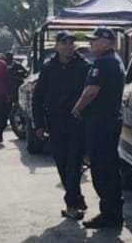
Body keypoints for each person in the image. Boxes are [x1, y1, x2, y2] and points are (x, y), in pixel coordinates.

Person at [32, 31, 92, 219]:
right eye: (64, 43)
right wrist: (39, 124)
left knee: (74, 163)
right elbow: (38, 97)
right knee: (61, 162)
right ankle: (76, 197)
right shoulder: (49, 68)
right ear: (56, 46)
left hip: (77, 123)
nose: (68, 47)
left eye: (70, 43)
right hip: (55, 123)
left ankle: (72, 205)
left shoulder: (84, 66)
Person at [71, 26, 126, 230]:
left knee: (102, 169)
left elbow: (92, 91)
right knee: (108, 167)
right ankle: (113, 212)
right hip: (108, 121)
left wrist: (77, 108)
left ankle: (109, 214)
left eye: (94, 40)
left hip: (101, 122)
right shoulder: (113, 60)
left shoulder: (104, 63)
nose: (90, 43)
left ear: (107, 42)